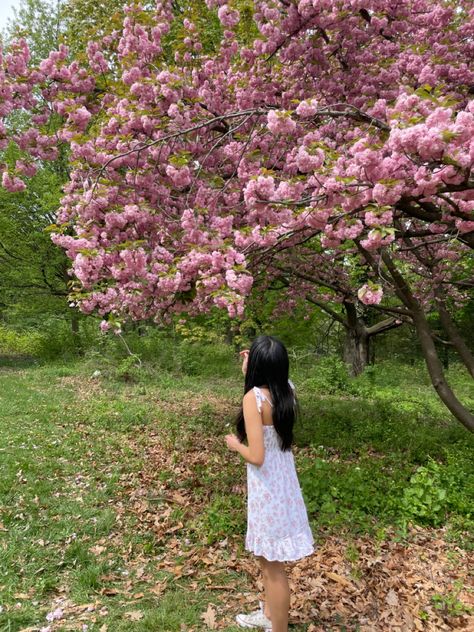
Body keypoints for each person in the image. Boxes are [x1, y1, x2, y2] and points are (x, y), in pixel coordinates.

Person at [225, 335, 314, 632]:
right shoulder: (288, 390)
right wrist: (254, 364)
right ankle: (272, 616)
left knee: (272, 568)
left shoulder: (253, 399)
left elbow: (257, 456)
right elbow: (270, 381)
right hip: (285, 487)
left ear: (257, 368)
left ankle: (278, 628)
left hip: (267, 490)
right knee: (271, 565)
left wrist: (235, 445)